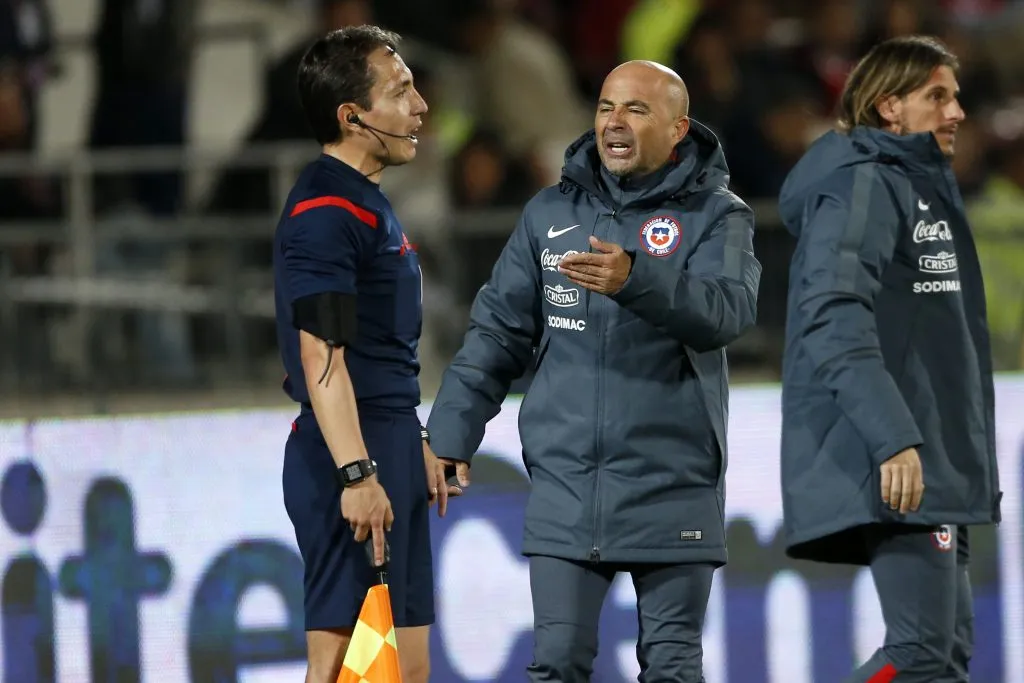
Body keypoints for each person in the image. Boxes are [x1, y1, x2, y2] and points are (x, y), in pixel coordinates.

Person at [426, 60, 761, 681]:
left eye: (636, 109)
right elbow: (498, 333)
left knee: (671, 669)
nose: (615, 121)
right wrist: (449, 433)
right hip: (568, 484)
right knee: (555, 666)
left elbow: (727, 312)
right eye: (606, 106)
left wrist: (638, 279)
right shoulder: (549, 213)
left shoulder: (719, 216)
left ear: (678, 128)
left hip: (673, 479)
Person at [778, 35, 1002, 682]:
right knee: (922, 652)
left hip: (933, 452)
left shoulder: (918, 186)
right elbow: (832, 312)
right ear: (887, 109)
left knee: (946, 660)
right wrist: (894, 436)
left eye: (956, 96)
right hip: (903, 455)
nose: (957, 111)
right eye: (937, 96)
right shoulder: (865, 184)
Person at [271, 25, 457, 683]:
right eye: (401, 92)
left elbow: (376, 353)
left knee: (403, 670)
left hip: (387, 441)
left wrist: (413, 439)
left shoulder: (364, 202)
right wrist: (356, 473)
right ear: (353, 117)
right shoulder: (325, 208)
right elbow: (320, 351)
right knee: (344, 667)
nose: (420, 107)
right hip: (349, 458)